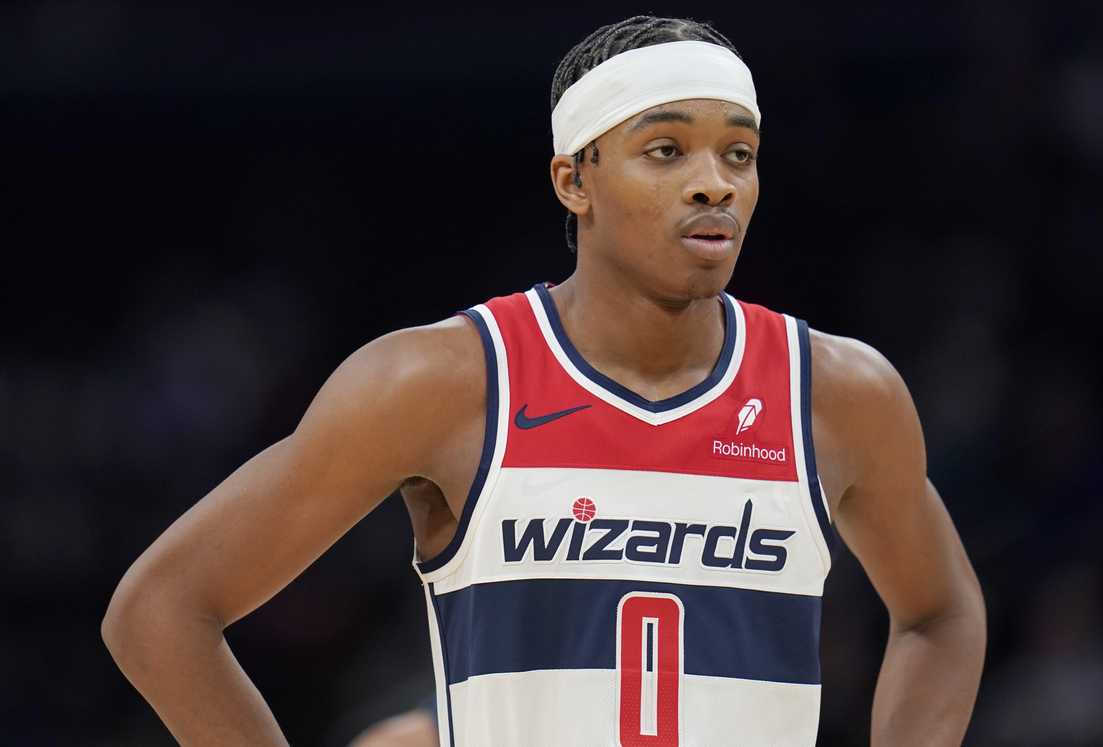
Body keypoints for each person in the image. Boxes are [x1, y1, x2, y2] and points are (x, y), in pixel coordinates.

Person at [101, 15, 986, 746]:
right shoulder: (441, 379)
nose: (714, 184)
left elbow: (941, 614)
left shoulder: (838, 391)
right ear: (575, 180)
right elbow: (162, 610)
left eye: (739, 154)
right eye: (667, 150)